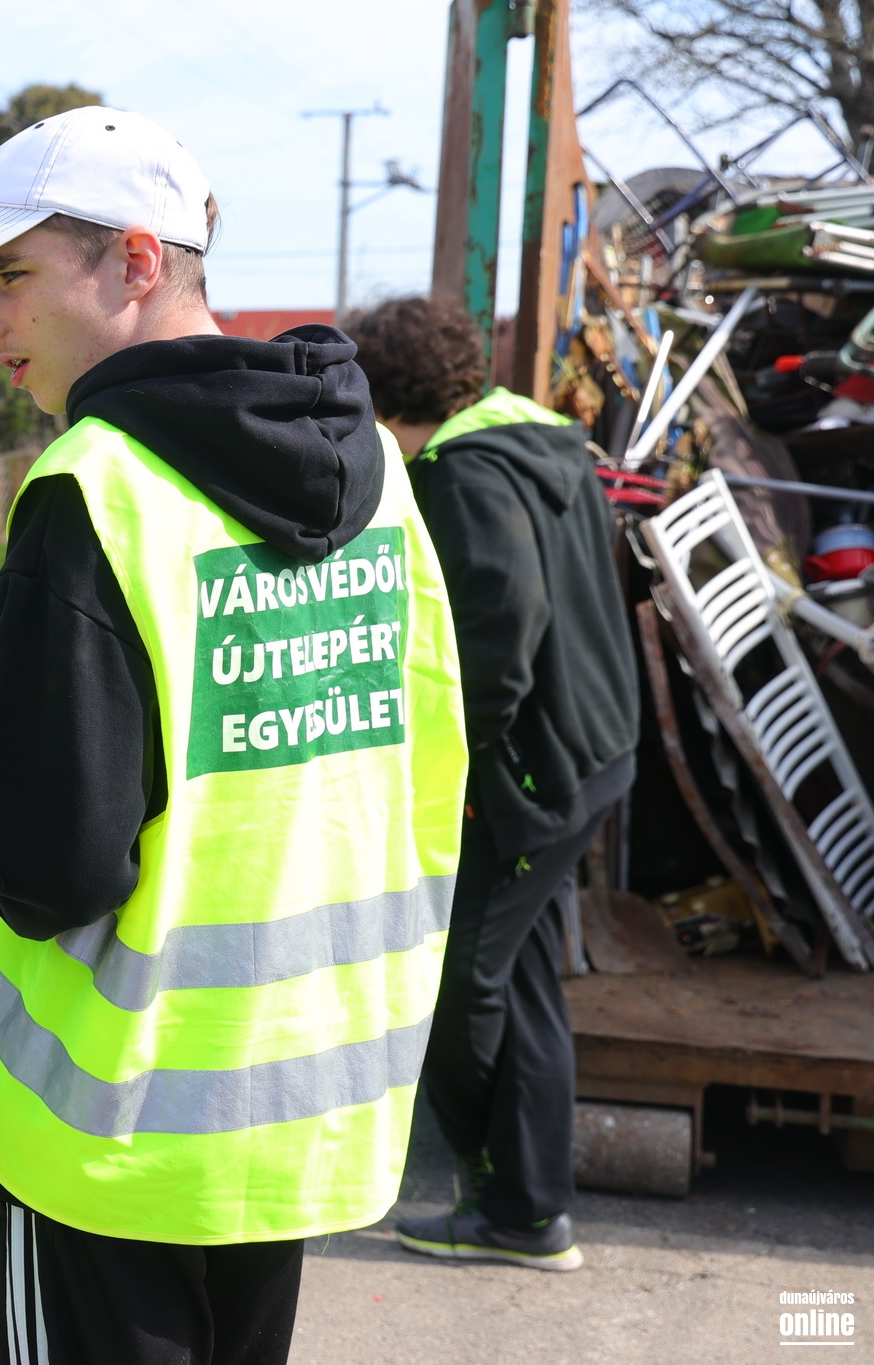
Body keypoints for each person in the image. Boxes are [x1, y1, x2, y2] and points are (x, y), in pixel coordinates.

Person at [0, 106, 468, 1365]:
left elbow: (54, 872)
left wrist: (0, 773)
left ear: (136, 262)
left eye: (7, 275)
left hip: (108, 1136)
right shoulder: (373, 466)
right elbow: (413, 759)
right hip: (292, 1111)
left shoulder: (93, 484)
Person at [346, 295, 639, 1273]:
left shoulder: (464, 475)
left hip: (529, 776)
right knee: (520, 980)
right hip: (592, 748)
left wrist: (459, 766)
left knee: (459, 979)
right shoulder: (540, 439)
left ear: (385, 401)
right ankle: (527, 1203)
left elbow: (497, 635)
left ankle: (506, 1197)